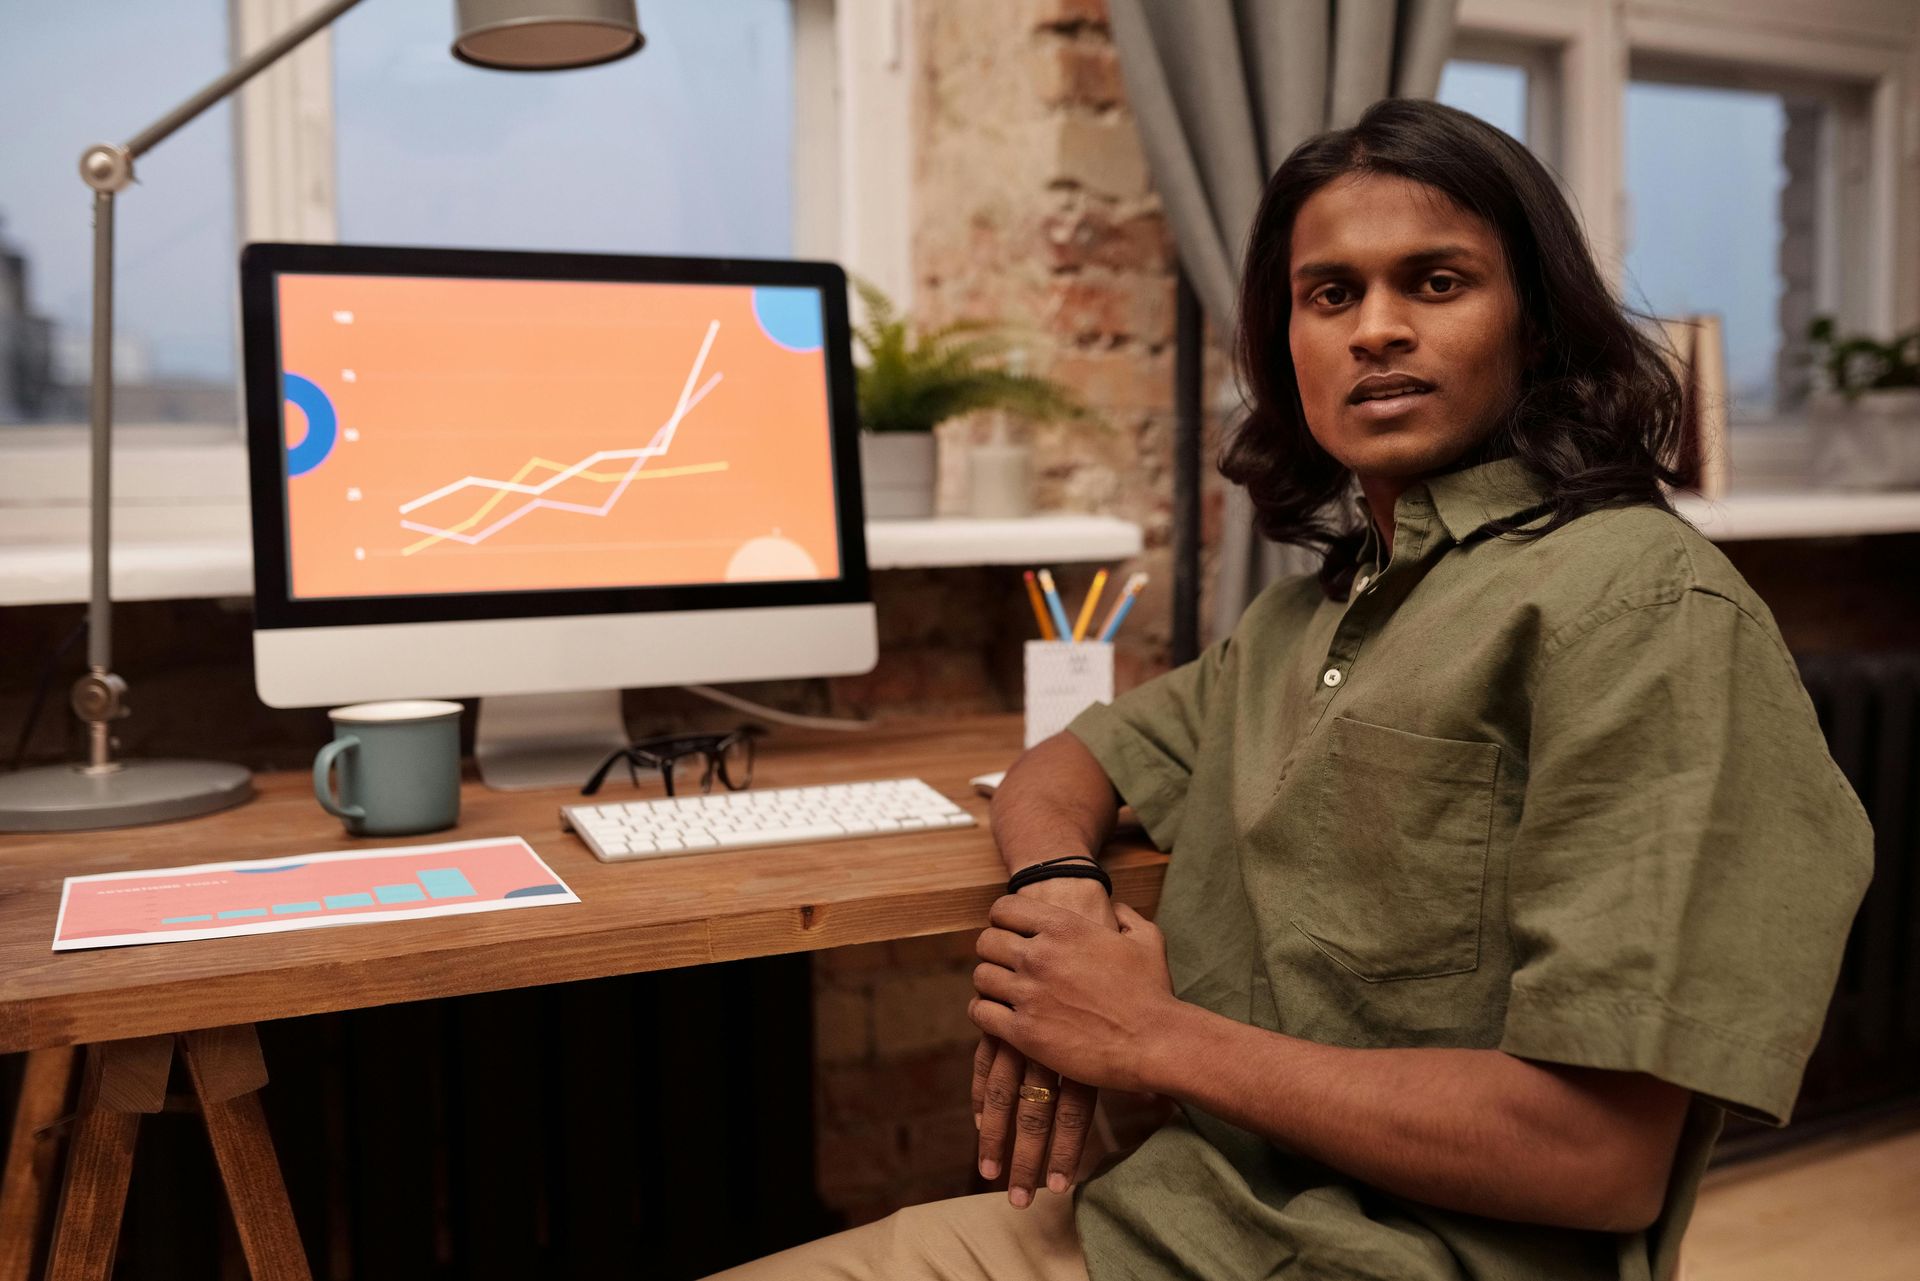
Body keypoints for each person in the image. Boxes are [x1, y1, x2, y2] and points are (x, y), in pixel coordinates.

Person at [702, 97, 1872, 1281]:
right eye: (1332, 294)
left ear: (1537, 324)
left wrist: (1150, 1038)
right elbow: (1072, 762)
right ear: (1287, 346)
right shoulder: (1303, 622)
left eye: (1436, 282)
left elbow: (1595, 1158)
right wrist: (1057, 889)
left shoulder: (1640, 606)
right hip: (1165, 1219)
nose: (1376, 329)